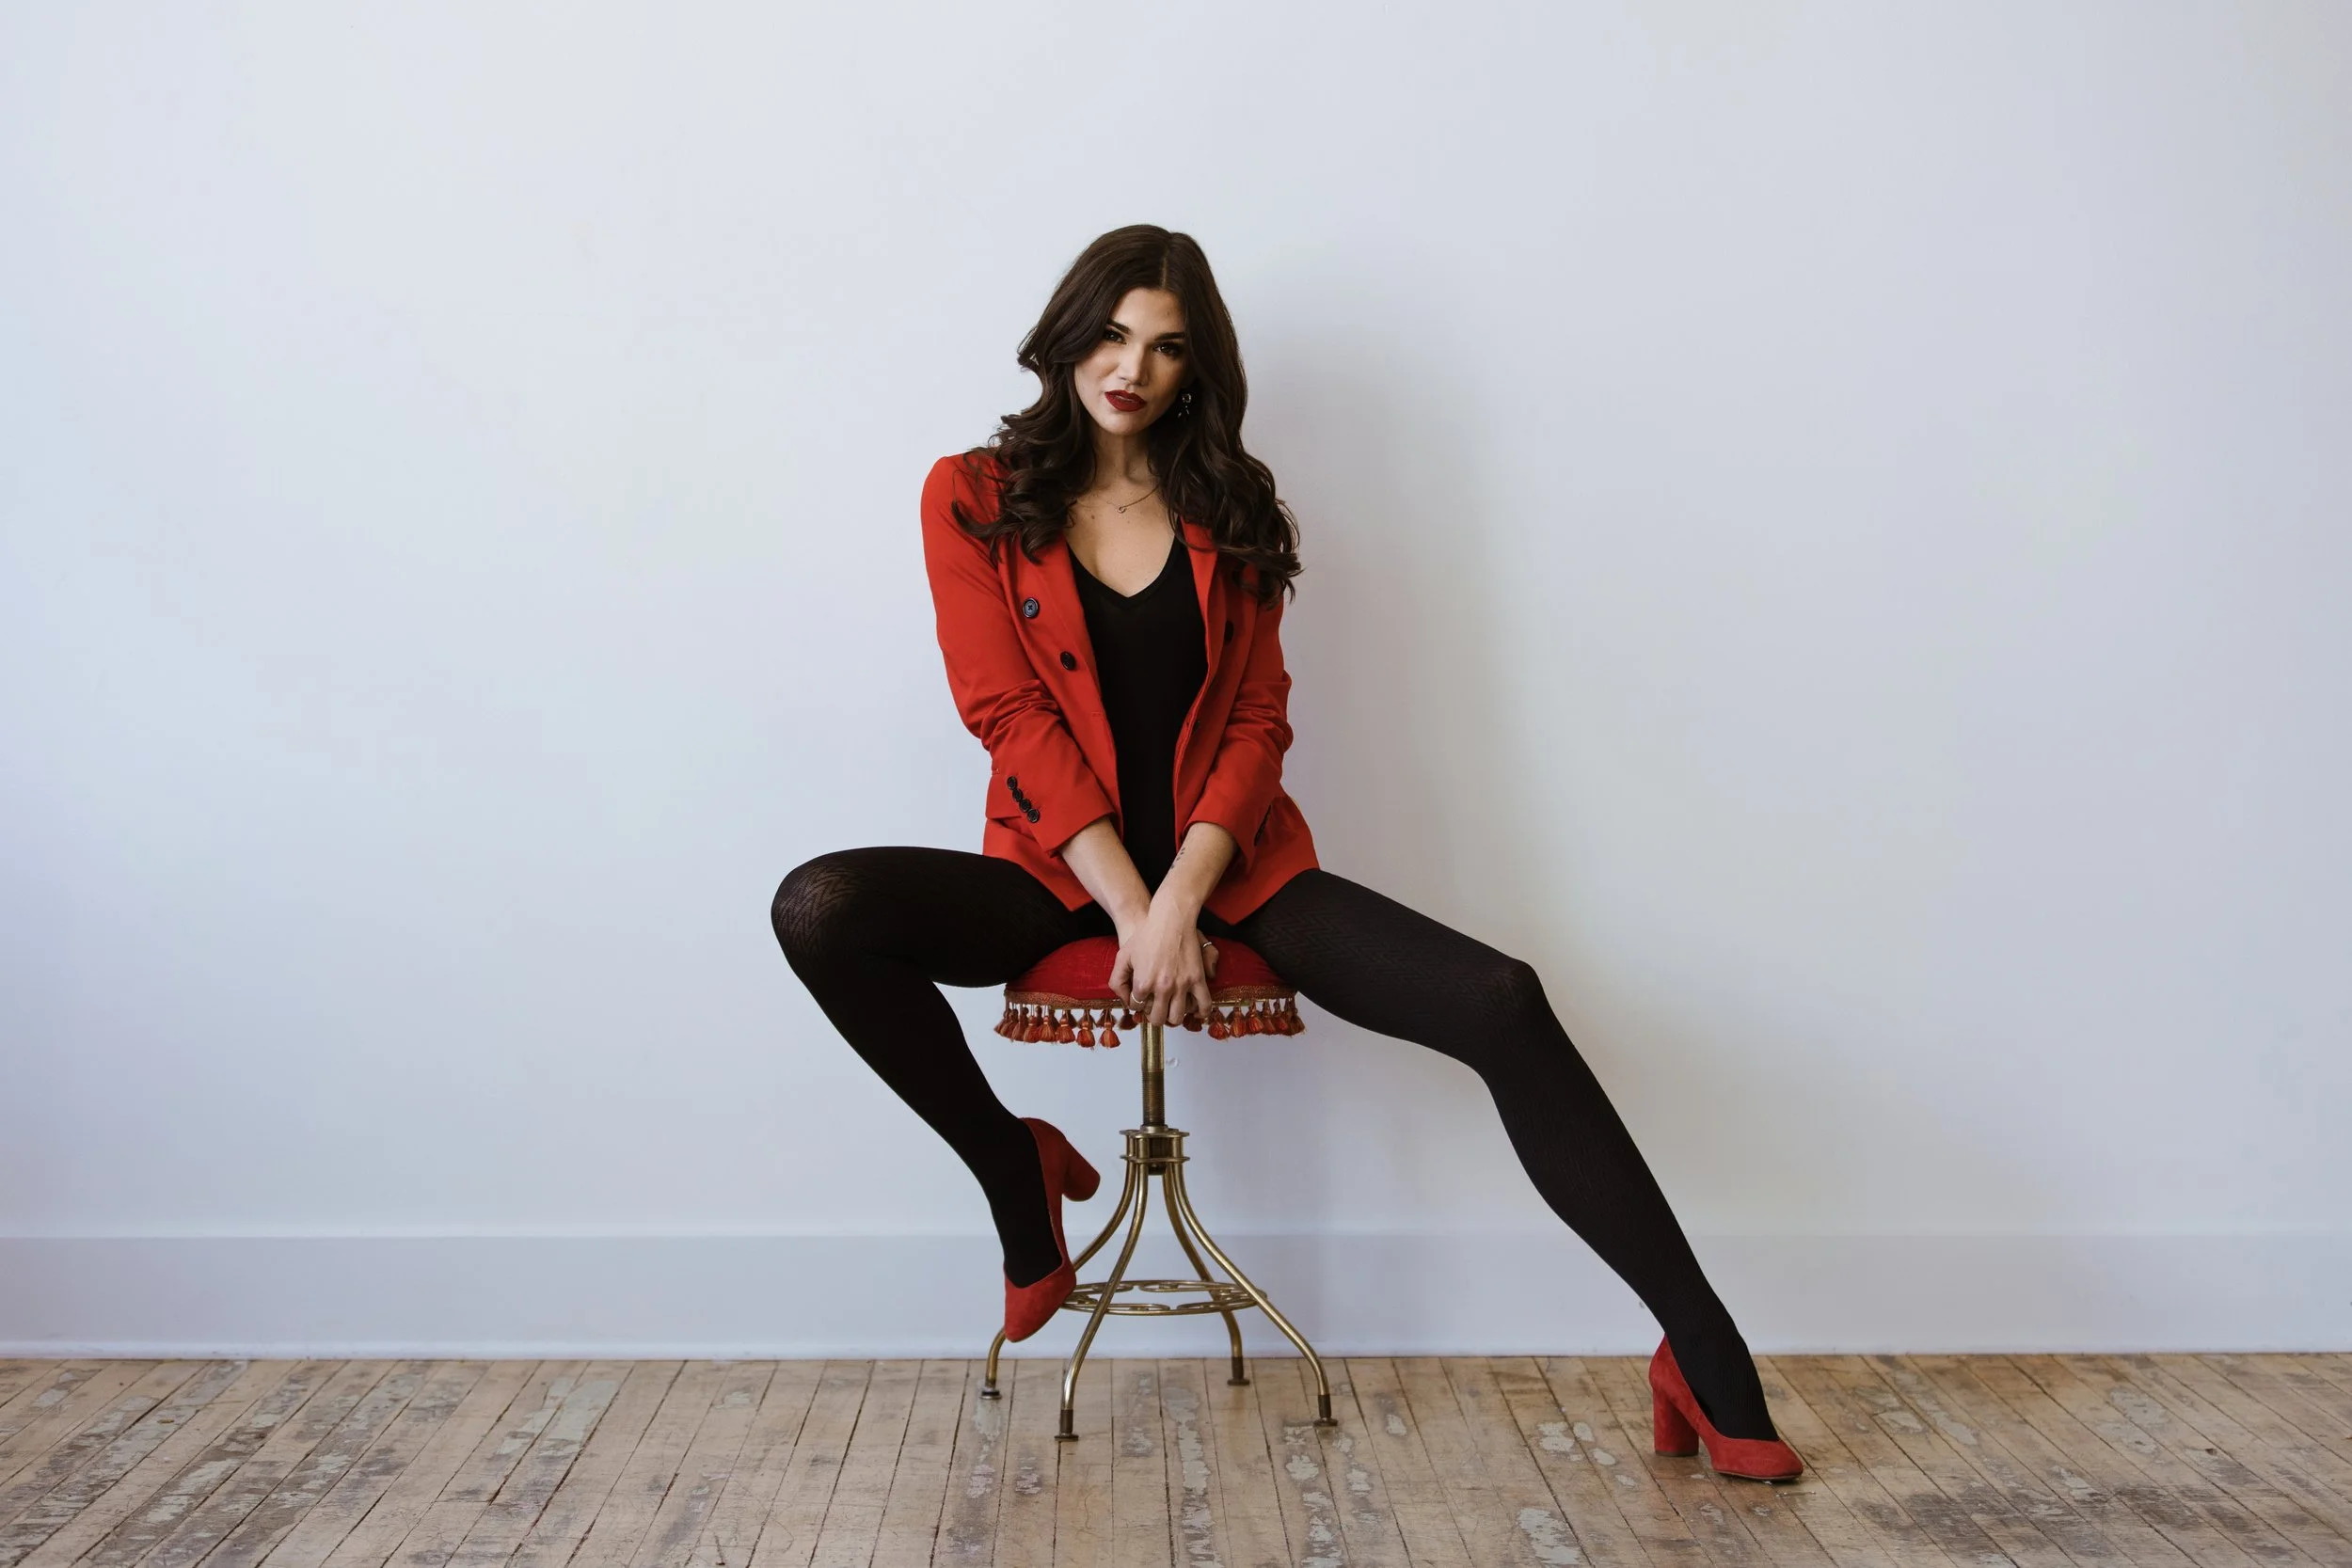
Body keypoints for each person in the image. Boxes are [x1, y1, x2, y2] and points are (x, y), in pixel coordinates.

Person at [772, 224, 1804, 1481]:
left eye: (1163, 347)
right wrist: (1133, 906)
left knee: (1503, 998)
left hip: (1234, 876)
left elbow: (1258, 720)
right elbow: (1009, 715)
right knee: (821, 907)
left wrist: (1186, 899)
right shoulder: (972, 496)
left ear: (1195, 370)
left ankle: (1698, 1345)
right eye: (1108, 334)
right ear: (1066, 333)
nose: (1128, 368)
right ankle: (1014, 1168)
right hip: (1056, 880)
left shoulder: (1231, 508)